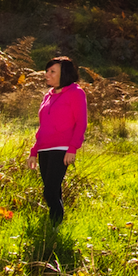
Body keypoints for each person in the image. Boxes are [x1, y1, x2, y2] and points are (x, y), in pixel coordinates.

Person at [29, 55, 87, 225]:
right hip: (44, 149)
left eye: (52, 71)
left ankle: (54, 226)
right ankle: (55, 223)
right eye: (47, 70)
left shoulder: (76, 93)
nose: (47, 74)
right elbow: (43, 127)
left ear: (65, 74)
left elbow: (81, 123)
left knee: (50, 191)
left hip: (61, 148)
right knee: (52, 189)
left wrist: (72, 148)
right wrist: (34, 151)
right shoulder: (48, 95)